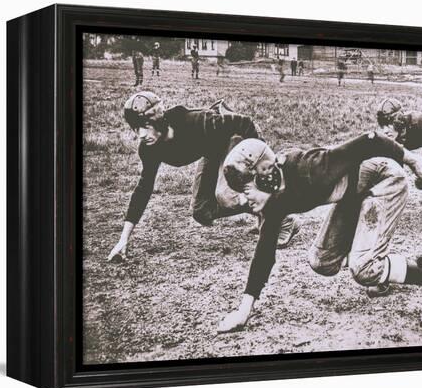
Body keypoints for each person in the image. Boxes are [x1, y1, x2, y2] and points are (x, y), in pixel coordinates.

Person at [217, 132, 422, 333]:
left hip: (384, 180)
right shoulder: (274, 201)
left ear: (265, 173)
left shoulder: (309, 168)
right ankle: (381, 270)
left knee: (363, 268)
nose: (242, 198)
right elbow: (264, 252)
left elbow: (370, 140)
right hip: (355, 192)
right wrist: (243, 311)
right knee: (322, 262)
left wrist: (411, 159)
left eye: (245, 188)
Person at [107, 92, 300, 261]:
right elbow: (143, 189)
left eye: (145, 126)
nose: (141, 134)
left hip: (236, 139)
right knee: (201, 211)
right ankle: (263, 213)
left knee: (226, 196)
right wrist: (123, 239)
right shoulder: (149, 148)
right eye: (136, 129)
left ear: (158, 120)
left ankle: (282, 216)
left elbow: (245, 123)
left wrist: (258, 165)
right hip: (213, 150)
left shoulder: (198, 121)